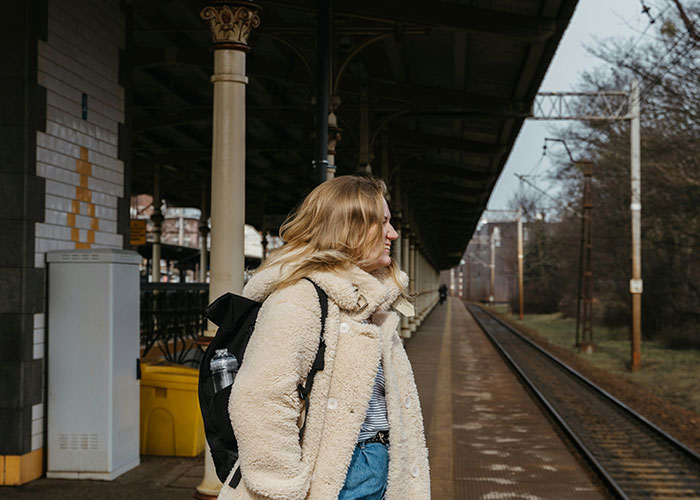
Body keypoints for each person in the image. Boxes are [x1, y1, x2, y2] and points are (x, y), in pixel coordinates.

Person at [218, 176, 430, 500]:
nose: (393, 234)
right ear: (351, 228)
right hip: (336, 479)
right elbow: (261, 400)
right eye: (383, 223)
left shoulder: (370, 303)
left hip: (379, 465)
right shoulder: (299, 298)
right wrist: (285, 487)